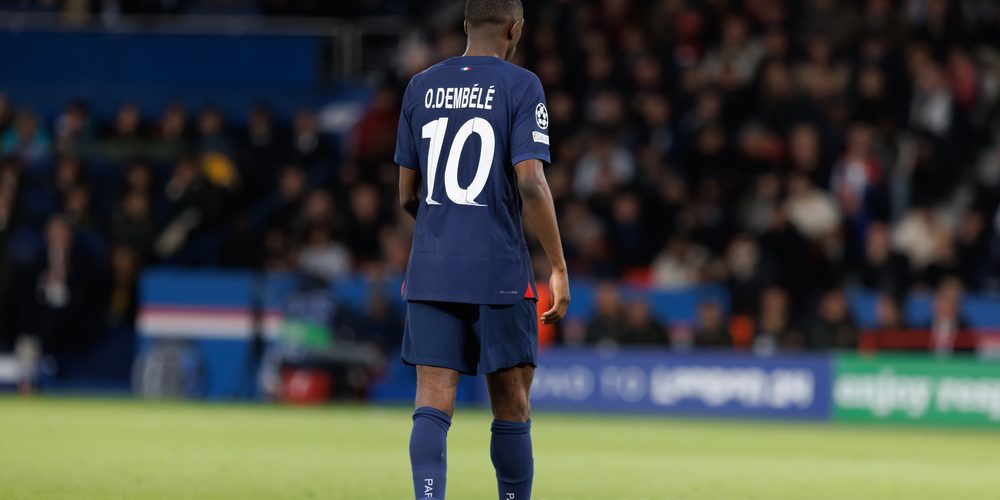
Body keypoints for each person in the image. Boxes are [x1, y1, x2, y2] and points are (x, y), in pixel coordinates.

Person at [394, 1, 570, 498]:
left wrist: (442, 230)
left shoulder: (420, 86)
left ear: (465, 26)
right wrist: (557, 265)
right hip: (499, 267)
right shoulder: (522, 85)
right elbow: (531, 184)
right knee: (511, 404)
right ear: (514, 28)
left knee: (431, 401)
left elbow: (407, 195)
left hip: (431, 268)